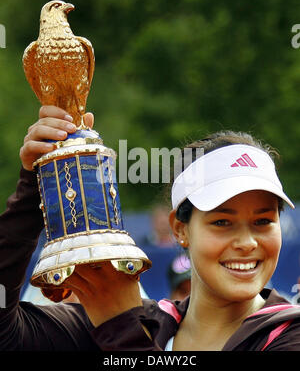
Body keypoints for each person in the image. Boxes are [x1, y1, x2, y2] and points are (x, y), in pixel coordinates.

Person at [1, 105, 300, 351]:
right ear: (180, 229)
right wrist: (32, 185)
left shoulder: (288, 336)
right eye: (222, 222)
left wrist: (120, 326)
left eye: (263, 221)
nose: (247, 242)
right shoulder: (148, 323)